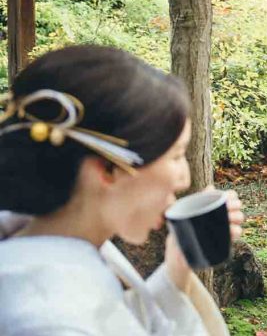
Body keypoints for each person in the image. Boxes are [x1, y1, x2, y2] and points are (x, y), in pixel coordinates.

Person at [0, 45, 244, 335]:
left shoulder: (65, 248)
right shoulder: (48, 321)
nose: (184, 180)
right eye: (176, 156)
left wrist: (177, 268)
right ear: (106, 168)